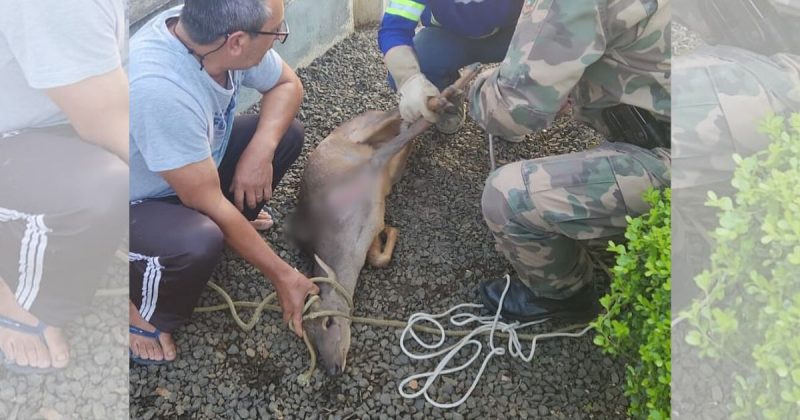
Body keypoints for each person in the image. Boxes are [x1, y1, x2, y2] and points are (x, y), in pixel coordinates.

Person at [128, 0, 318, 365]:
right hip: (134, 201)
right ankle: (140, 309)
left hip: (194, 170)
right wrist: (283, 276)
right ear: (236, 43)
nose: (280, 36)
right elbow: (204, 201)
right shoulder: (160, 88)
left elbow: (287, 83)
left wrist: (260, 151)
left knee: (285, 135)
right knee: (200, 238)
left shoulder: (214, 33)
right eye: (277, 30)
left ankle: (234, 226)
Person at [469, 0, 671, 321]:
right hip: (723, 136)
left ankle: (564, 296)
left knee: (507, 196)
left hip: (678, 164)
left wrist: (483, 85)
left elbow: (509, 113)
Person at [0, 0, 129, 373]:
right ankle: (17, 297)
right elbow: (107, 122)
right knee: (104, 191)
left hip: (43, 115)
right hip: (14, 132)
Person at [378, 0, 525, 137]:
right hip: (449, 38)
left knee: (539, 53)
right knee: (414, 66)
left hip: (509, 36)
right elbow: (394, 29)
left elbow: (546, 26)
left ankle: (515, 107)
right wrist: (409, 78)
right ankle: (448, 98)